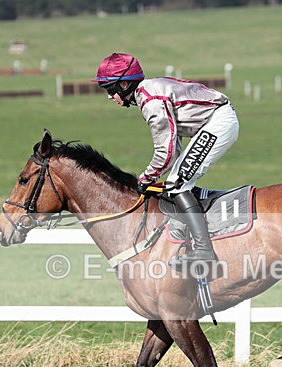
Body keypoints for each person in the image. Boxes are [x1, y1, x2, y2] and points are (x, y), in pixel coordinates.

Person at [93, 52, 239, 268]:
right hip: (216, 120)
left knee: (176, 184)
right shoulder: (148, 91)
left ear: (124, 84)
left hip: (219, 122)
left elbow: (166, 152)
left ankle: (204, 251)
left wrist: (144, 178)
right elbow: (173, 143)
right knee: (177, 180)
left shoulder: (150, 101)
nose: (109, 96)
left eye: (110, 89)